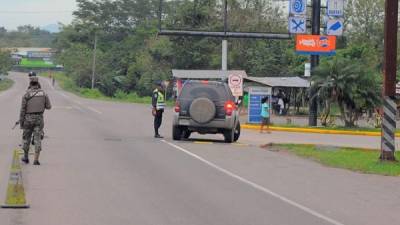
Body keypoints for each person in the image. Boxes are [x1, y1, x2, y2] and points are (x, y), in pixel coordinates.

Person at [20, 76, 51, 165]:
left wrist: (21, 123)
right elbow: (49, 107)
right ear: (38, 83)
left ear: (30, 84)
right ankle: (36, 160)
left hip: (28, 119)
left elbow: (22, 110)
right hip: (39, 119)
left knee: (26, 139)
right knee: (37, 139)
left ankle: (26, 158)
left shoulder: (26, 94)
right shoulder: (44, 94)